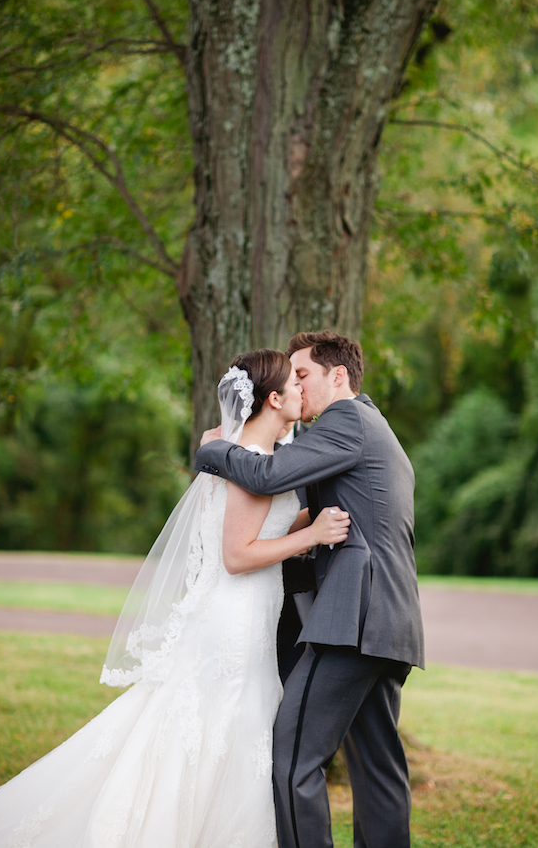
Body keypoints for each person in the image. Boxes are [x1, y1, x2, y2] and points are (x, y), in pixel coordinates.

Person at [0, 348, 350, 848]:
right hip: (234, 617)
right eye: (295, 384)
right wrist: (311, 538)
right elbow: (237, 555)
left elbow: (266, 526)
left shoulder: (242, 454)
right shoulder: (248, 464)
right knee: (218, 725)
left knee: (222, 726)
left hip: (244, 613)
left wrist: (312, 519)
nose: (303, 392)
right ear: (273, 399)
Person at [196, 330, 425, 848]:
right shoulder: (374, 426)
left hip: (354, 619)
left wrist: (212, 450)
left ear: (337, 376)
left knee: (293, 755)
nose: (296, 387)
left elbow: (269, 474)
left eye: (303, 375)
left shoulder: (346, 420)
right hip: (390, 624)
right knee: (378, 767)